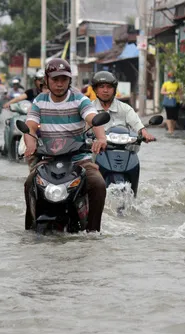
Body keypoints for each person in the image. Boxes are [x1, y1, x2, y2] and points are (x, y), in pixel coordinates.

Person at [23, 58, 108, 231]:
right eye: (55, 79)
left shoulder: (79, 99)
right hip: (48, 159)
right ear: (46, 80)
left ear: (70, 80)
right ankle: (30, 228)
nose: (59, 84)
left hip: (78, 160)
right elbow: (30, 127)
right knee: (29, 183)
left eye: (64, 79)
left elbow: (93, 119)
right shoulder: (39, 101)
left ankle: (93, 231)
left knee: (98, 184)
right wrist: (30, 143)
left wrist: (101, 138)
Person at [91, 71, 155, 141]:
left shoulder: (125, 108)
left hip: (123, 148)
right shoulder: (89, 109)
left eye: (109, 87)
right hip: (95, 148)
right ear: (95, 90)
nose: (105, 90)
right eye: (101, 87)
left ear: (114, 90)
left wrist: (144, 133)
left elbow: (136, 124)